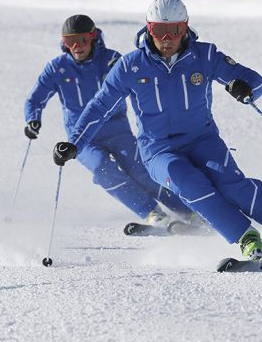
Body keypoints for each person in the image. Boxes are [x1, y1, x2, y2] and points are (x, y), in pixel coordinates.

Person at [52, 0, 262, 260]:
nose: (167, 38)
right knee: (186, 180)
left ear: (184, 27)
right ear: (149, 29)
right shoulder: (130, 66)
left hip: (203, 140)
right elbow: (99, 106)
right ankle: (247, 239)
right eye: (159, 30)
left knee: (234, 186)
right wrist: (75, 142)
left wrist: (245, 87)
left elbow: (253, 80)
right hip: (158, 150)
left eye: (174, 30)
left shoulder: (204, 55)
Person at [25, 14, 195, 226]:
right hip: (83, 139)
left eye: (82, 40)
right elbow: (35, 98)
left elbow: (141, 88)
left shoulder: (112, 60)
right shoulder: (57, 68)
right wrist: (33, 120)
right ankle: (151, 212)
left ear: (93, 37)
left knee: (141, 171)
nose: (77, 46)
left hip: (118, 132)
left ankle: (189, 211)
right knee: (102, 170)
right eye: (70, 42)